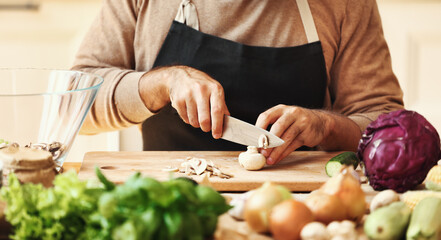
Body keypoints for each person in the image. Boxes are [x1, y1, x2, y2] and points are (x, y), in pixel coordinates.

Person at [72, 0, 403, 165]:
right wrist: (161, 83)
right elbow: (74, 104)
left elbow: (387, 125)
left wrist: (327, 127)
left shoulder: (344, 5)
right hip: (170, 204)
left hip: (300, 211)